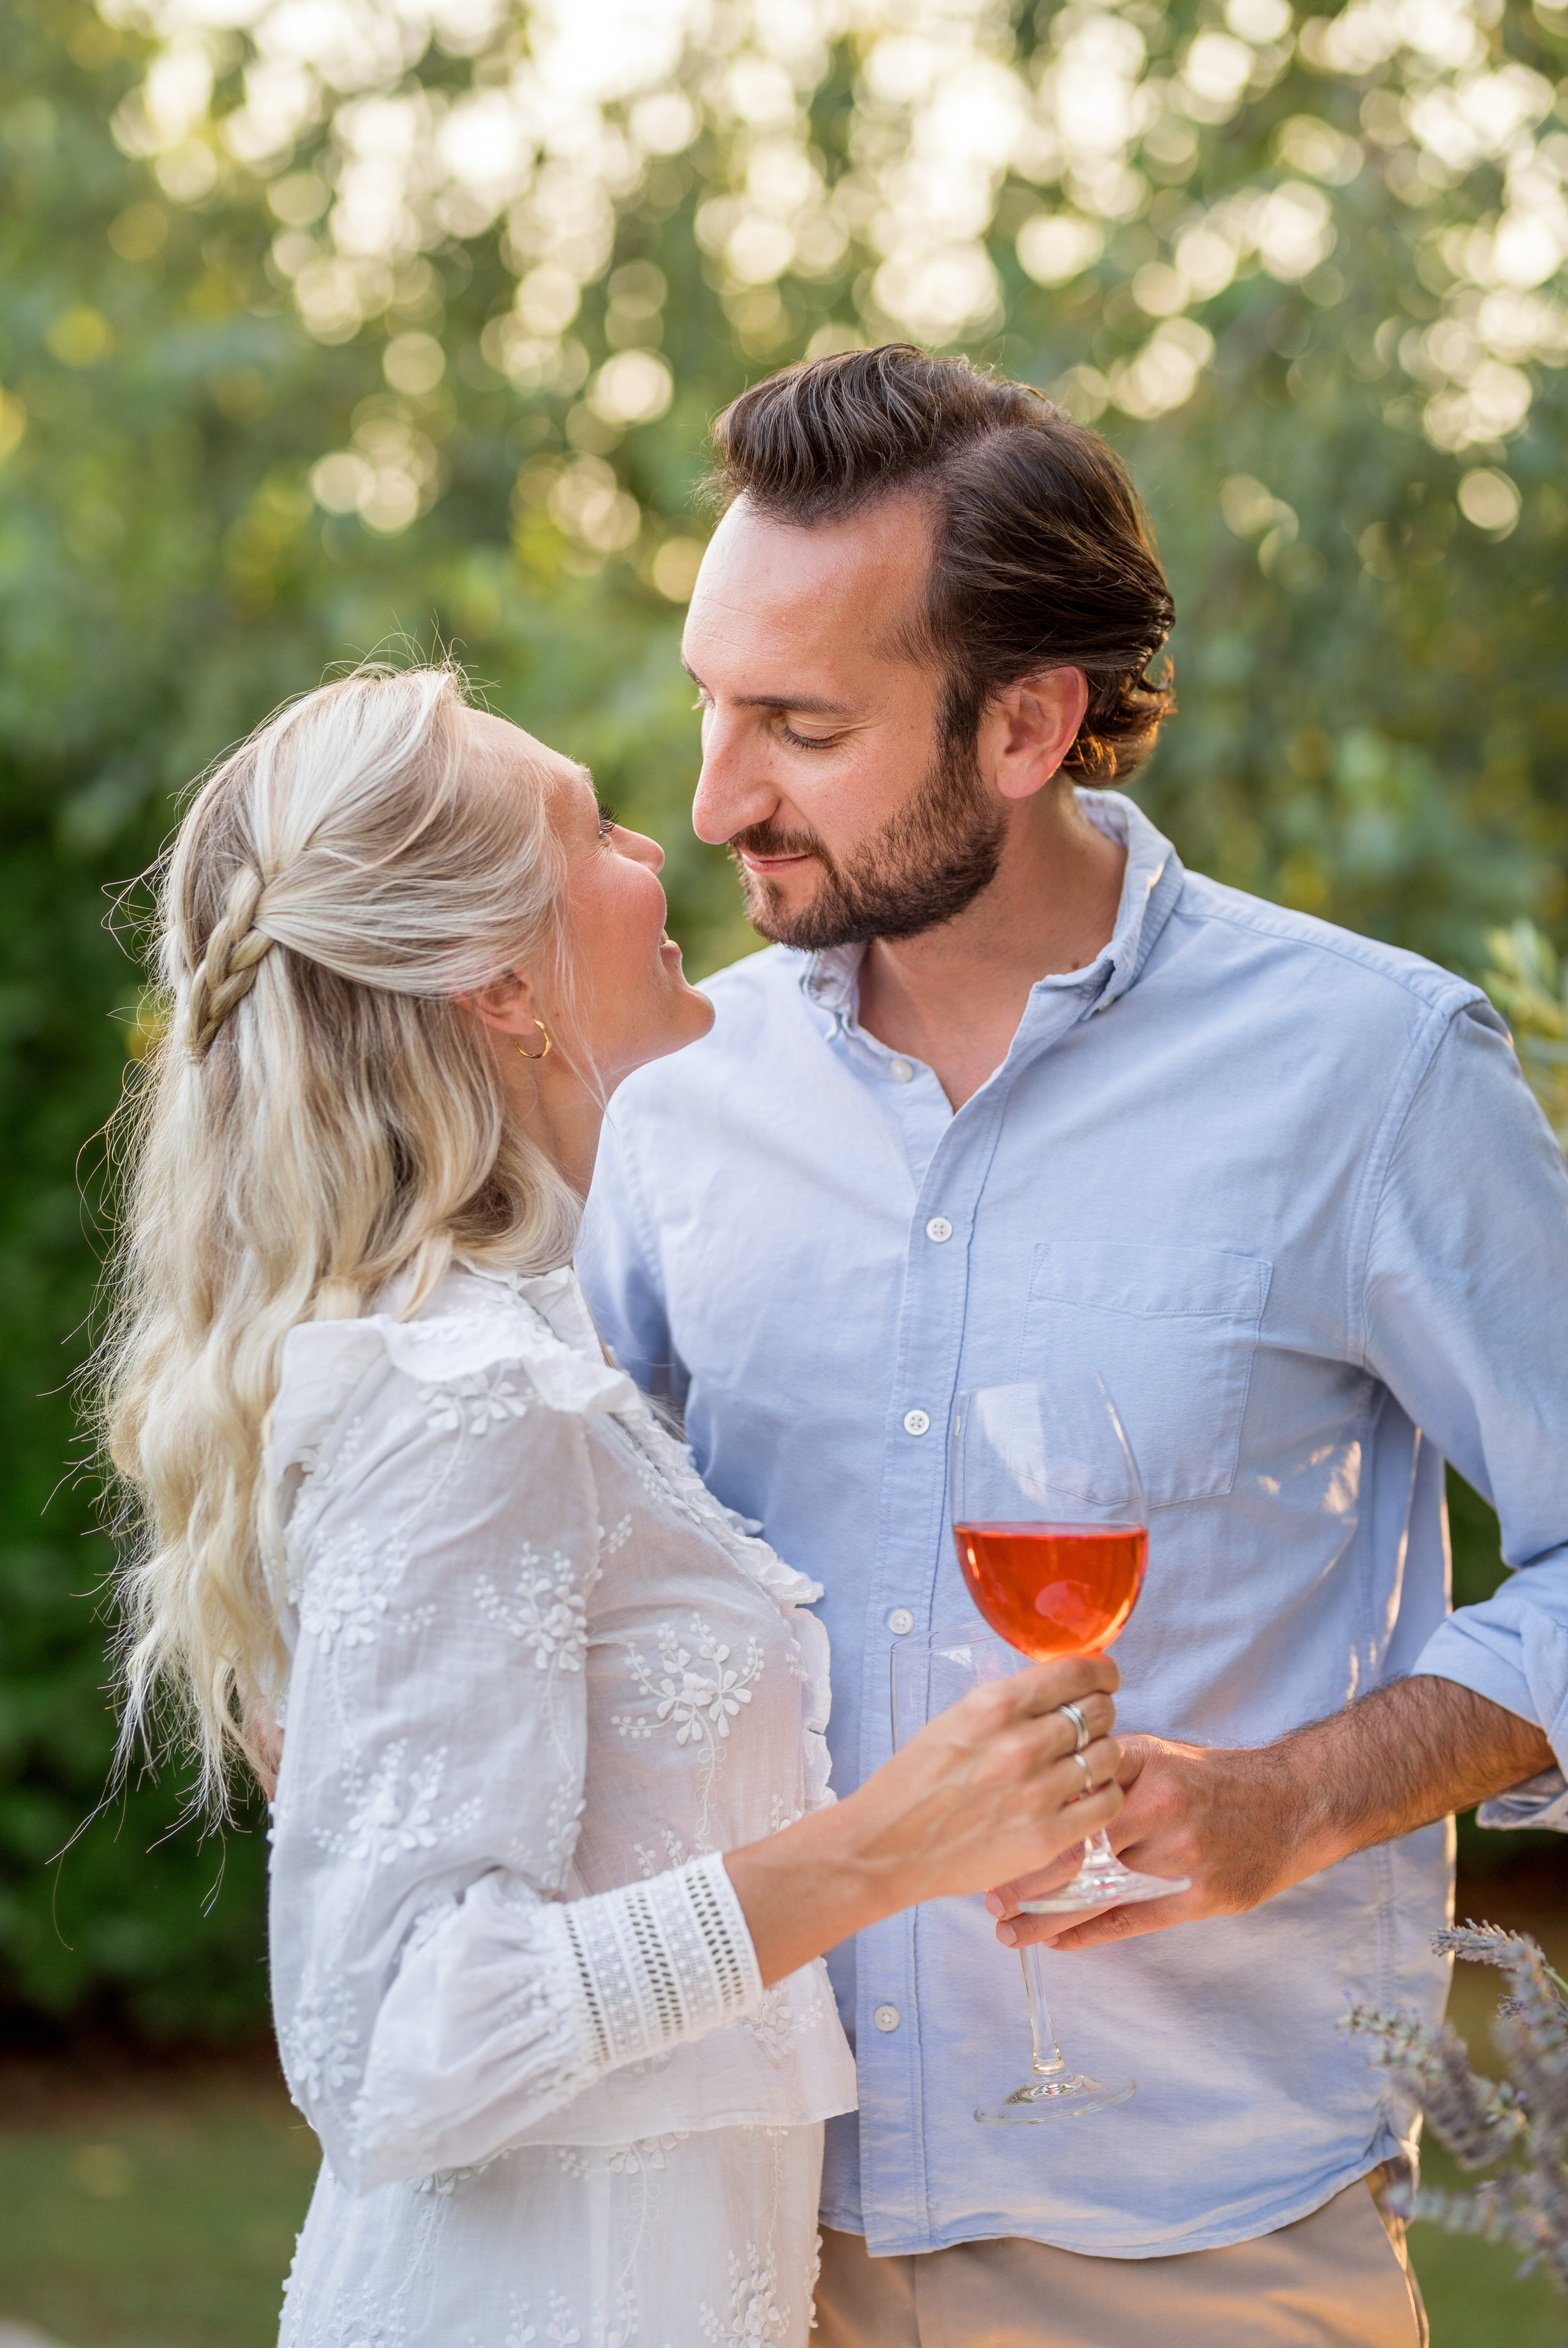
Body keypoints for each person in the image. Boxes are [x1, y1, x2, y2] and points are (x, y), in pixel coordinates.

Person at [578, 346, 1568, 2347]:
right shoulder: (674, 1100)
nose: (714, 799)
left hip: (1198, 2242)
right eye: (710, 703)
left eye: (798, 724)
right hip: (732, 2223)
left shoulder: (1372, 1075)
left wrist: (1298, 1794)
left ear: (1027, 723)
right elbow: (568, 1580)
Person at [95, 663, 1123, 2346]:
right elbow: (394, 2046)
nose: (668, 846)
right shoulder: (463, 1398)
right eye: (594, 829)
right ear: (502, 982)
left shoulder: (526, 1341)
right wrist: (887, 1849)